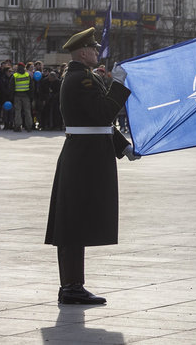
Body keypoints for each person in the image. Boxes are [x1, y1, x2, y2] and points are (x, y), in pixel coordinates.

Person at [45, 28, 137, 305]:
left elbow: (102, 123)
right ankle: (71, 287)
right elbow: (103, 113)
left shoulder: (83, 77)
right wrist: (119, 86)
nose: (98, 53)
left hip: (86, 155)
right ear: (83, 52)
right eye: (94, 49)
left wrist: (123, 147)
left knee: (76, 222)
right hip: (83, 158)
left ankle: (73, 285)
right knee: (72, 224)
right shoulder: (79, 79)